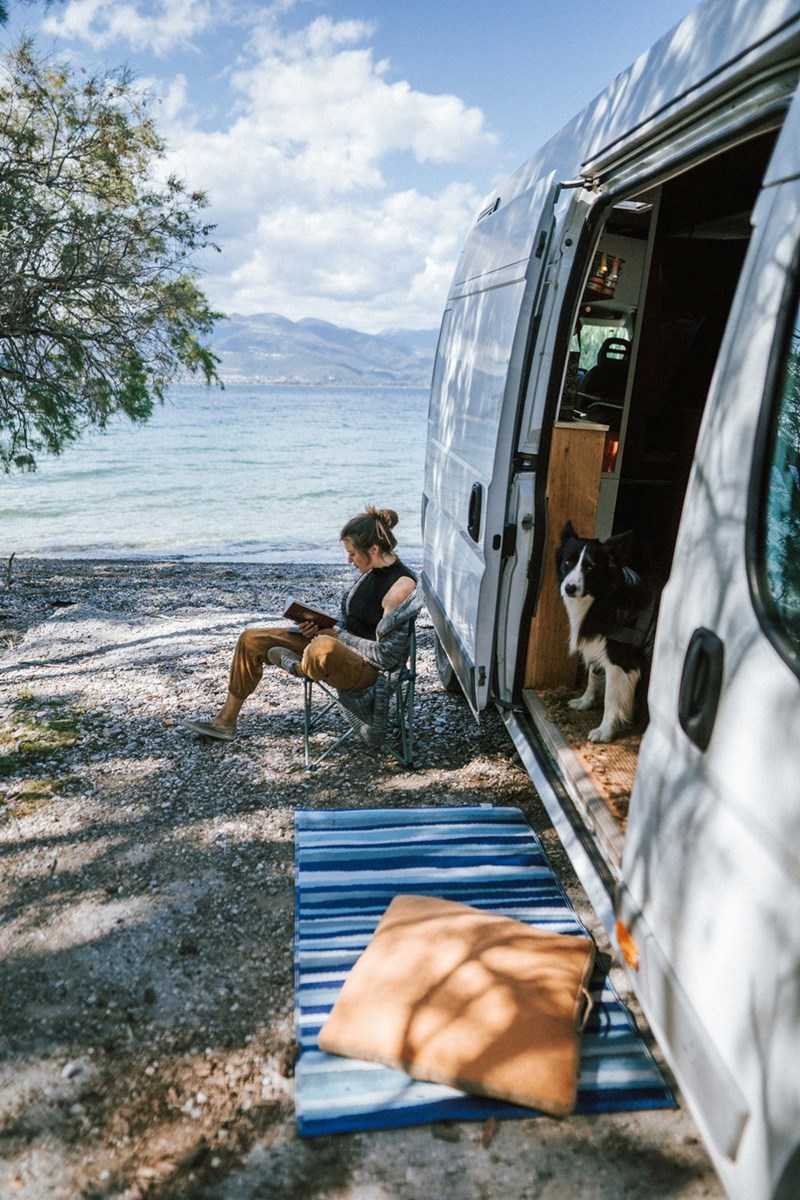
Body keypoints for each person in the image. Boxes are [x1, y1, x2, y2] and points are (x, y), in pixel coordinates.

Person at [182, 506, 418, 743]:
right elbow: (354, 621)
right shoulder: (370, 571)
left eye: (352, 554)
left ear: (374, 549)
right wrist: (317, 624)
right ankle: (225, 722)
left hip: (366, 669)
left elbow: (387, 656)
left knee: (323, 646)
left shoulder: (400, 588)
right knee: (251, 640)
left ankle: (299, 667)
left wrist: (336, 635)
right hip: (334, 649)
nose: (349, 561)